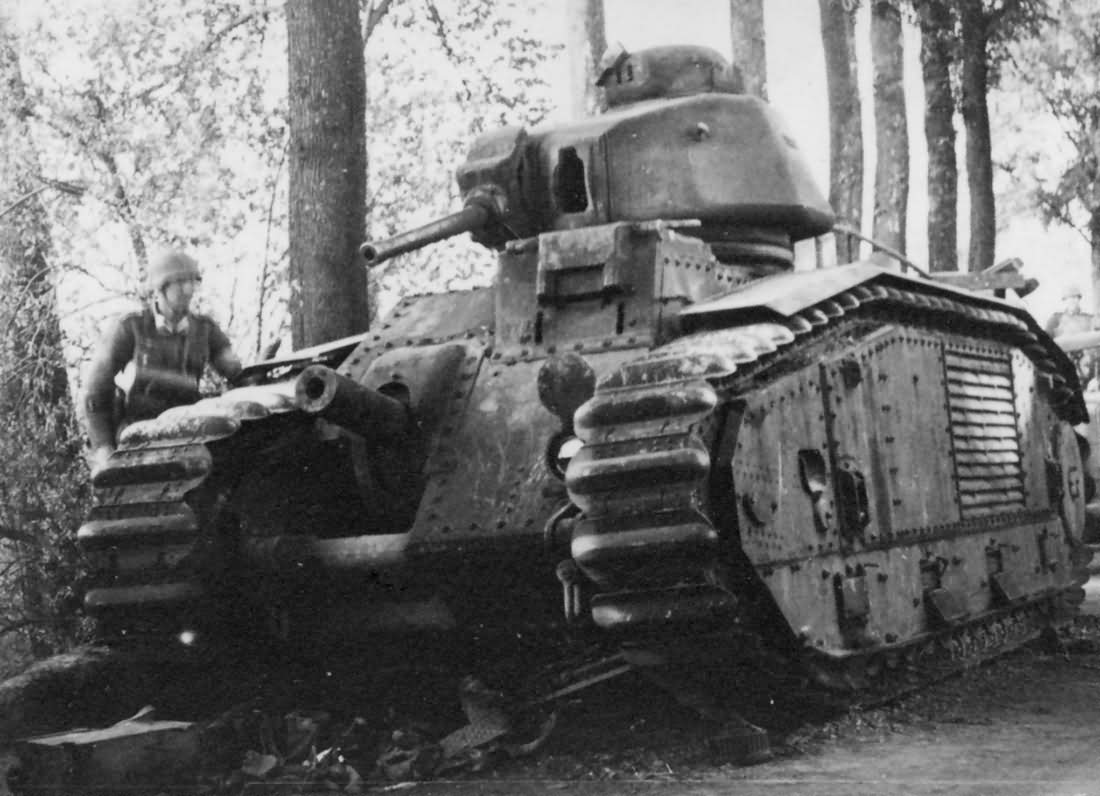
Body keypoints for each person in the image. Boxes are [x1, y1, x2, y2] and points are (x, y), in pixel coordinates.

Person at [83, 249, 243, 473]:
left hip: (190, 431)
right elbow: (94, 394)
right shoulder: (131, 329)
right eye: (179, 283)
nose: (188, 290)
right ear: (160, 288)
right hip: (138, 434)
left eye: (191, 283)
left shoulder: (204, 330)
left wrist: (254, 375)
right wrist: (103, 449)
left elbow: (236, 373)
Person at [1046, 284, 1098, 386]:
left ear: (1079, 299)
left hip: (1086, 365)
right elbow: (1045, 341)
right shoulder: (1056, 319)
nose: (1072, 301)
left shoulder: (1090, 319)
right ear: (1064, 300)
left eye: (1075, 297)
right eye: (1069, 298)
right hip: (1063, 364)